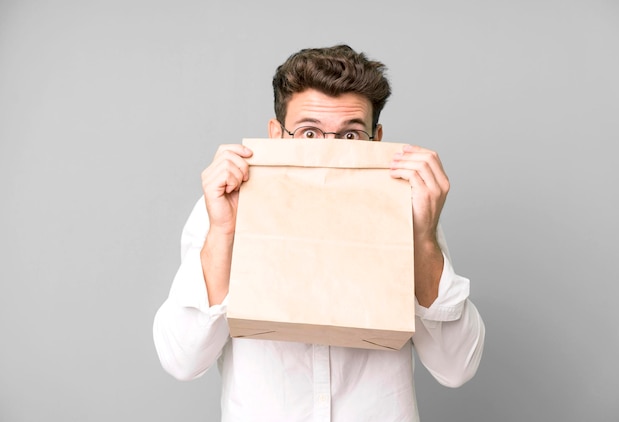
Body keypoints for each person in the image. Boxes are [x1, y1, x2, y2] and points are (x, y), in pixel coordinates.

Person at [153, 44, 485, 421]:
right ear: (276, 135)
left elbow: (457, 367)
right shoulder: (226, 206)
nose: (330, 154)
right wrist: (224, 233)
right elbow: (181, 360)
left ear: (376, 140)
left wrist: (423, 238)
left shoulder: (407, 211)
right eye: (309, 134)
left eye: (349, 137)